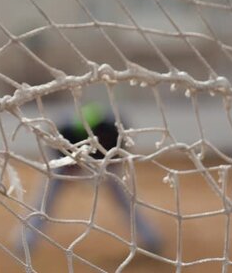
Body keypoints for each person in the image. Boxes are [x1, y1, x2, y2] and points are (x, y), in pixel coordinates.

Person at [19, 103, 162, 254]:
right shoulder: (65, 131)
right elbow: (55, 151)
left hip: (104, 162)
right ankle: (26, 240)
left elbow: (122, 150)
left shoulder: (114, 130)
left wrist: (104, 166)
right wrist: (70, 168)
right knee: (45, 198)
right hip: (67, 162)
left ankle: (150, 238)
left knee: (124, 197)